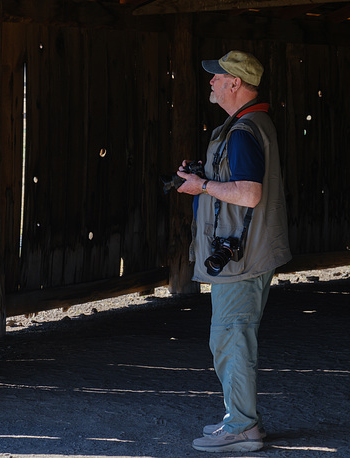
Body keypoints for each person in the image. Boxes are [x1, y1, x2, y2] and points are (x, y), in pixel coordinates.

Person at [176, 50, 291, 453]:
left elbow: (249, 193)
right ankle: (238, 419)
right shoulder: (248, 124)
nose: (210, 82)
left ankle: (242, 428)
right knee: (233, 337)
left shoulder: (243, 130)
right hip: (247, 252)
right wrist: (205, 176)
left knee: (231, 340)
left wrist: (201, 187)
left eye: (216, 77)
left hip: (241, 259)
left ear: (235, 83)